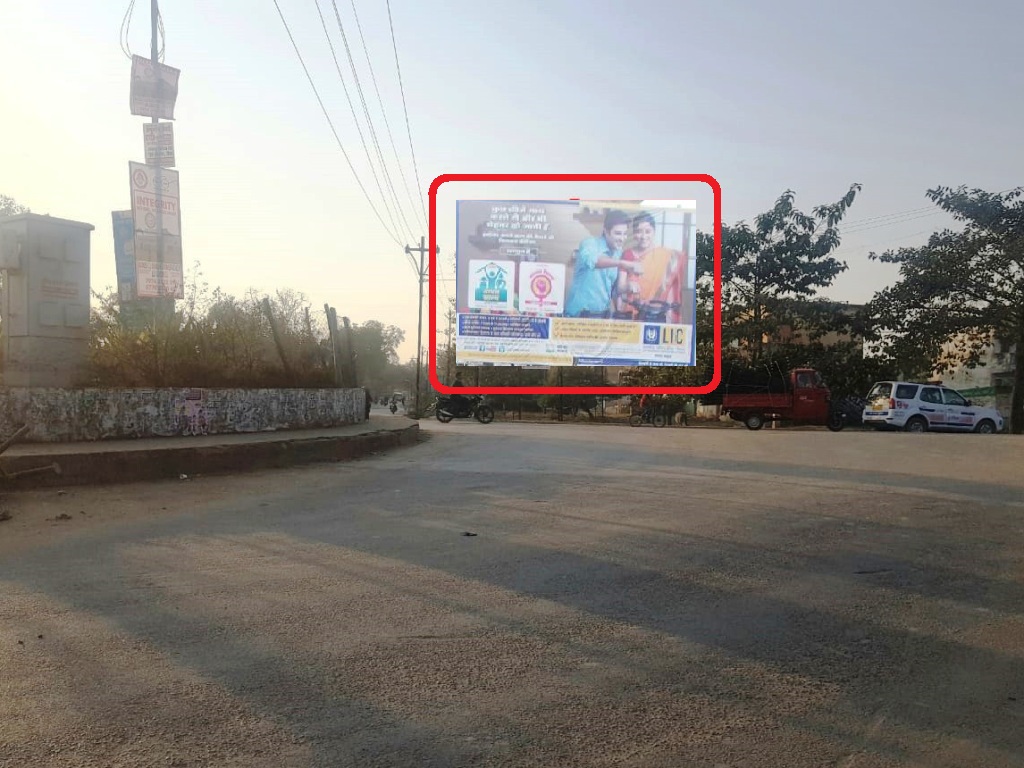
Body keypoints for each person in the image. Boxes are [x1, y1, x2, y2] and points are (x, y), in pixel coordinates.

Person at [564, 209, 643, 318]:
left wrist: (627, 287)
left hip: (602, 317)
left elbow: (614, 291)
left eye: (625, 234)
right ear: (606, 231)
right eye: (618, 233)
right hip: (578, 316)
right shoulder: (589, 244)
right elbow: (594, 261)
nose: (622, 238)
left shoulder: (618, 253)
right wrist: (623, 264)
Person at [616, 212, 686, 322]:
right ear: (634, 233)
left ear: (654, 232)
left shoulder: (667, 256)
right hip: (632, 314)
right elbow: (620, 287)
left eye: (648, 231)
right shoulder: (628, 254)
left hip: (657, 313)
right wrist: (628, 285)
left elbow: (671, 288)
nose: (643, 237)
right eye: (639, 232)